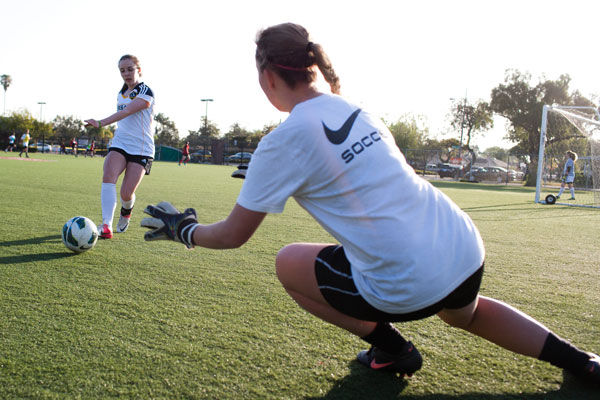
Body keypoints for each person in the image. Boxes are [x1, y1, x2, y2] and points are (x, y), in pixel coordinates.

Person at [140, 23, 599, 385]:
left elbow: (233, 236)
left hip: (404, 281)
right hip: (462, 247)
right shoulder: (358, 109)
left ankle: (395, 350)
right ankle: (583, 362)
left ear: (267, 76)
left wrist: (185, 229)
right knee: (469, 314)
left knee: (287, 264)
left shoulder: (283, 140)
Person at [85, 54, 155, 239]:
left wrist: (100, 123)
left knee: (126, 193)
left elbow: (126, 112)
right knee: (108, 175)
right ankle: (106, 225)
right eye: (122, 70)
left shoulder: (146, 91)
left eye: (130, 69)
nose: (126, 73)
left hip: (142, 148)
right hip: (120, 143)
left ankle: (126, 210)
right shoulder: (121, 92)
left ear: (138, 70)